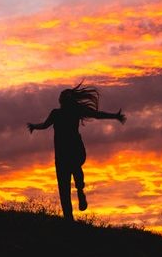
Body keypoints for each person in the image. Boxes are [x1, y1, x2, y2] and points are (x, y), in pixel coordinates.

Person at [27, 82, 126, 221]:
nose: (61, 98)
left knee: (66, 181)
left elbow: (96, 114)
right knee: (65, 183)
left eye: (62, 96)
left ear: (64, 100)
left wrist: (114, 116)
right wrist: (34, 126)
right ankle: (70, 215)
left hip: (72, 150)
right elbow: (44, 125)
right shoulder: (61, 112)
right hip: (65, 153)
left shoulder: (67, 112)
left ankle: (78, 195)